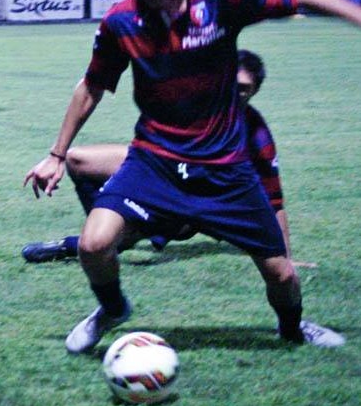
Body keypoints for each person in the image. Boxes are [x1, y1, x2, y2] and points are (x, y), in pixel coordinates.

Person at [24, 0, 361, 355]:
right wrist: (56, 153)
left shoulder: (223, 0)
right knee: (94, 244)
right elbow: (91, 86)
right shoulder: (121, 22)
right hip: (154, 163)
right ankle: (111, 309)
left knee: (282, 275)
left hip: (224, 170)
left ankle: (293, 329)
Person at [22, 50, 297, 263]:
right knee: (77, 159)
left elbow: (274, 200)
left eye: (244, 89)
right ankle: (110, 232)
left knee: (121, 234)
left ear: (255, 91)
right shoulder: (188, 103)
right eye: (230, 84)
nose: (234, 93)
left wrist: (286, 258)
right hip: (159, 173)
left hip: (194, 203)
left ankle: (91, 242)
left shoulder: (255, 133)